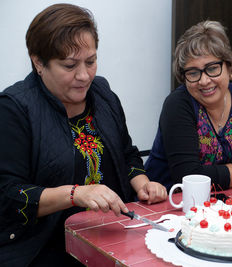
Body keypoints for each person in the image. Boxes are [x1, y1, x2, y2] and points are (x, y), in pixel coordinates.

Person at [0, 4, 167, 266]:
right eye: (69, 65)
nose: (84, 75)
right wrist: (74, 194)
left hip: (113, 236)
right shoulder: (15, 109)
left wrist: (143, 184)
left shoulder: (103, 95)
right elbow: (8, 195)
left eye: (91, 61)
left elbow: (127, 154)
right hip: (47, 249)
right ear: (39, 62)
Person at [145, 20, 232, 192]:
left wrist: (213, 173)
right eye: (193, 73)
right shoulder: (177, 104)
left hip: (225, 200)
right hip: (169, 204)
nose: (204, 81)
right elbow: (187, 176)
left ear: (229, 67)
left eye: (212, 68)